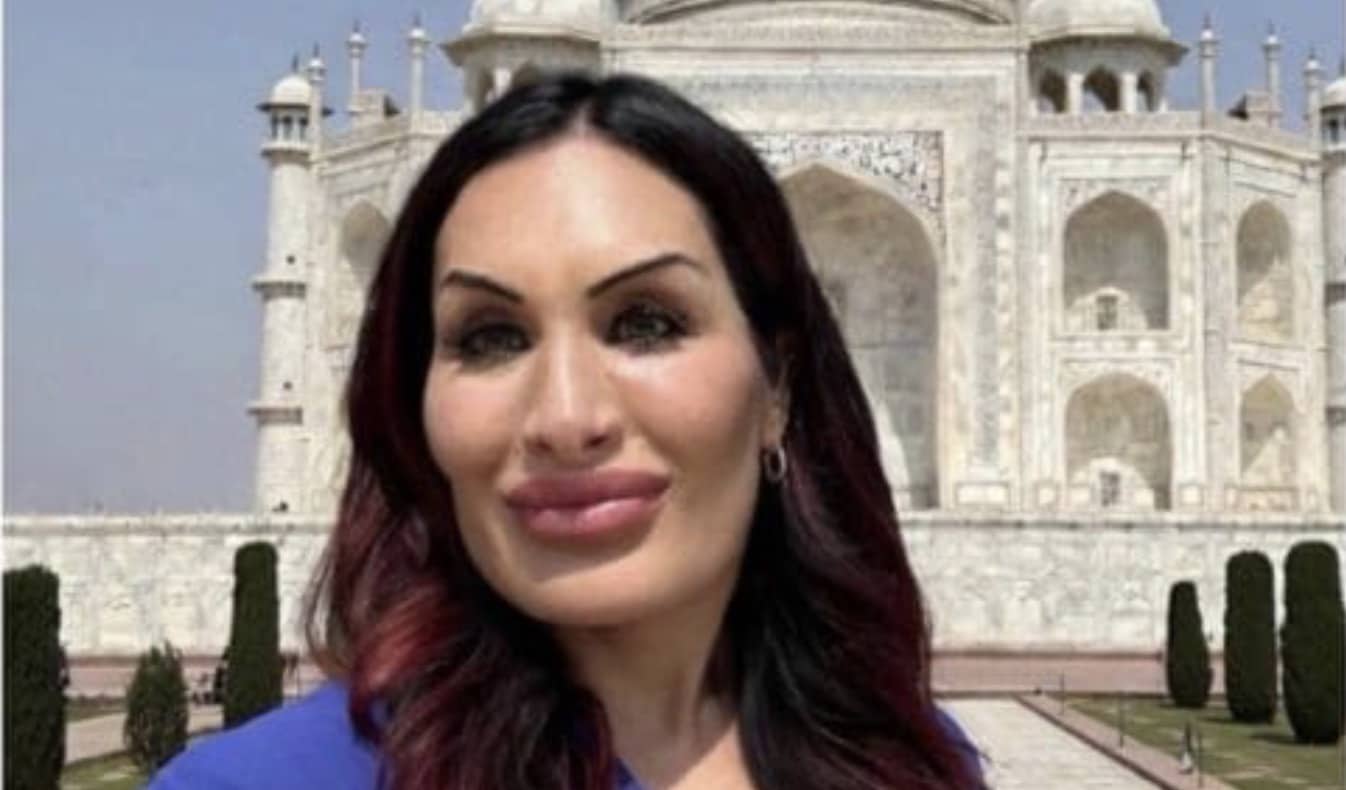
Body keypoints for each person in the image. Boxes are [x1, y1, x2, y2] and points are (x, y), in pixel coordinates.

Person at [152, 73, 984, 789]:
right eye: (490, 338)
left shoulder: (905, 763)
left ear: (778, 388)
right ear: (416, 405)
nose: (566, 418)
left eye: (647, 323)